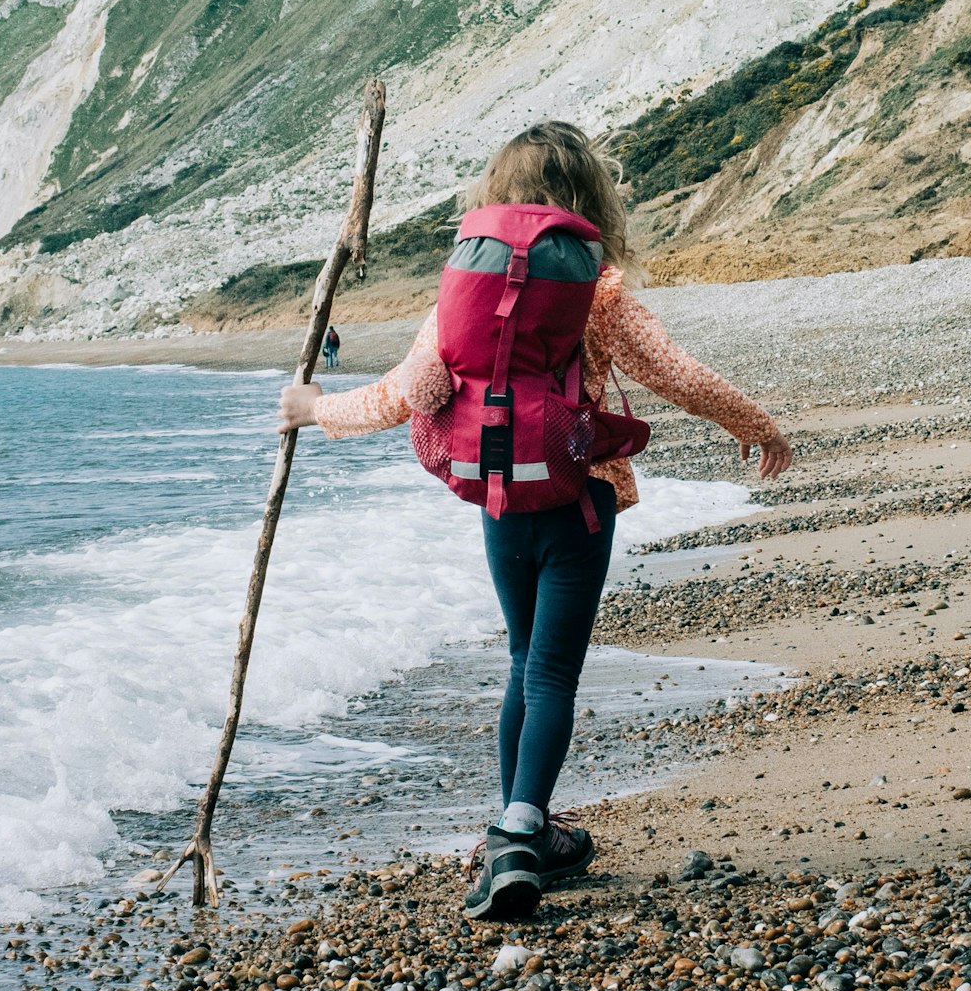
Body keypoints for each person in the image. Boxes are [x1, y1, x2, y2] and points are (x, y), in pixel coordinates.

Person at [280, 121, 790, 921]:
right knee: (553, 669)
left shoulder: (466, 290)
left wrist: (315, 410)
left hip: (497, 499)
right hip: (578, 500)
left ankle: (525, 824)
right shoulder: (600, 289)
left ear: (494, 193)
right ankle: (521, 828)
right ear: (594, 197)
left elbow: (409, 394)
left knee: (524, 660)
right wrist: (755, 424)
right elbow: (678, 376)